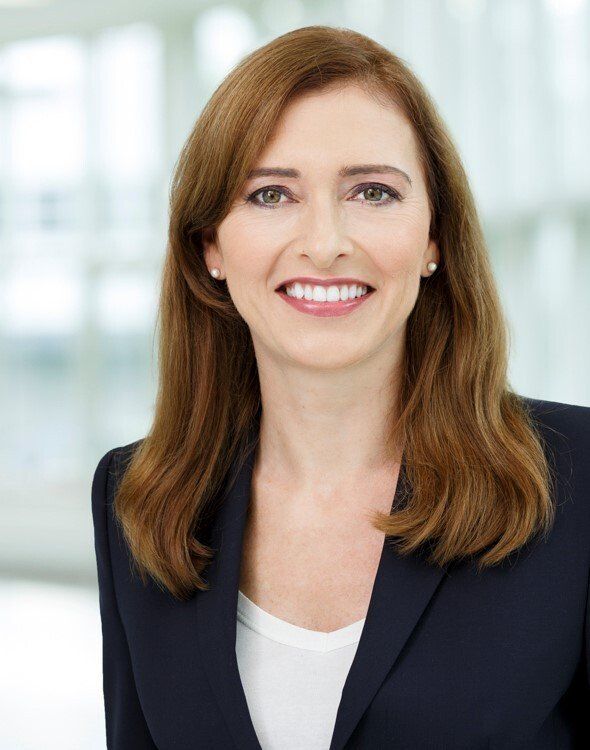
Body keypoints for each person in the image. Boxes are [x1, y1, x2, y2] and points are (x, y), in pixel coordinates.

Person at [91, 25, 590, 750]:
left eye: (372, 192)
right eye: (271, 194)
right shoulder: (139, 496)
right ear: (210, 246)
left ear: (434, 237)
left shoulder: (577, 475)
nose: (325, 244)